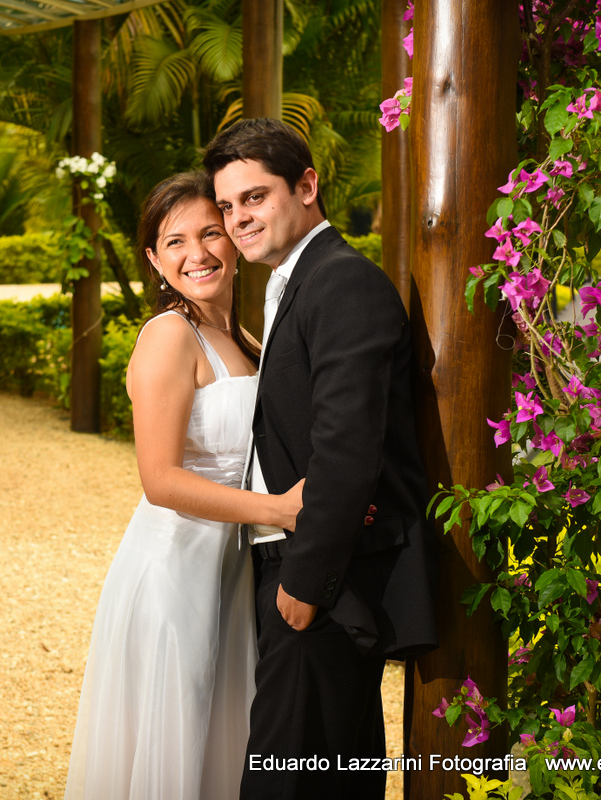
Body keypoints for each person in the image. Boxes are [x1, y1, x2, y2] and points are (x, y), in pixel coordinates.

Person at [205, 118, 439, 799]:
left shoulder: (342, 282)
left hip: (323, 582)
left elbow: (347, 446)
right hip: (302, 572)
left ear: (306, 186)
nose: (238, 219)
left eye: (254, 197)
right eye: (227, 205)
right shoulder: (294, 279)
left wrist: (307, 585)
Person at [64, 171, 305, 800]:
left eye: (209, 233)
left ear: (234, 237)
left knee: (222, 742)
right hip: (175, 572)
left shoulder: (244, 337)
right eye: (175, 242)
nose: (196, 254)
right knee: (178, 741)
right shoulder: (170, 335)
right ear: (153, 259)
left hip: (231, 570)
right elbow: (161, 480)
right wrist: (280, 510)